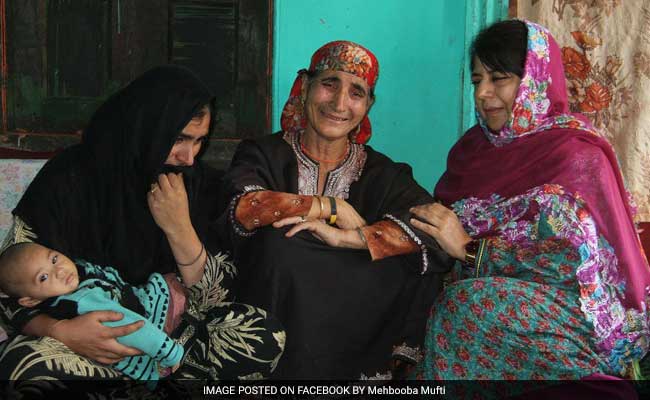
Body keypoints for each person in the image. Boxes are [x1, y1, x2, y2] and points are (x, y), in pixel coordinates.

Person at [0, 65, 285, 385]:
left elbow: (217, 301)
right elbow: (9, 287)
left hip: (173, 345)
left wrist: (179, 228)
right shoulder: (68, 178)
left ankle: (163, 382)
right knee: (21, 365)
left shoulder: (198, 186)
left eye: (199, 141)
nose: (189, 157)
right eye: (179, 139)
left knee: (263, 337)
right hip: (86, 346)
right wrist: (61, 332)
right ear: (146, 125)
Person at [409, 20, 650, 382]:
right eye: (477, 81)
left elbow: (575, 266)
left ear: (536, 78)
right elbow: (438, 223)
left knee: (466, 307)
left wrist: (471, 251)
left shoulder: (574, 156)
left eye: (499, 78)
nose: (483, 94)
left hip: (576, 311)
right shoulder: (471, 151)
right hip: (486, 296)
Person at [218, 40, 453, 379]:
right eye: (329, 84)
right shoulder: (262, 154)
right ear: (305, 88)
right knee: (279, 246)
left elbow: (435, 234)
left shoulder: (385, 175)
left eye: (356, 92)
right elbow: (245, 208)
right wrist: (328, 206)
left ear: (368, 105)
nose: (340, 103)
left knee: (411, 259)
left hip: (354, 333)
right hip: (273, 331)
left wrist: (354, 239)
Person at [0, 242, 183, 386]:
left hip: (135, 320)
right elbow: (131, 327)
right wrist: (172, 353)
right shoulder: (82, 300)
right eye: (43, 277)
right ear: (30, 301)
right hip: (146, 334)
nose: (60, 270)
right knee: (168, 284)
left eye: (54, 259)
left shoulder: (75, 276)